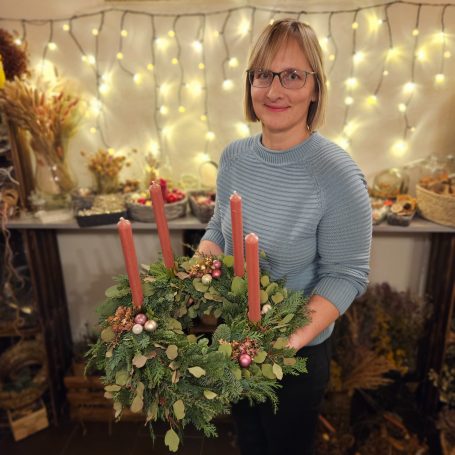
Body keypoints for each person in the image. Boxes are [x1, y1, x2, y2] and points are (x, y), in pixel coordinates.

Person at [197, 18, 372, 455]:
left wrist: (282, 343)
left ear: (315, 89)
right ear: (250, 84)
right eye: (264, 74)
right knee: (249, 440)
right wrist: (198, 269)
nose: (275, 90)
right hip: (235, 337)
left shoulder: (337, 173)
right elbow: (219, 227)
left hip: (296, 355)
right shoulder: (233, 157)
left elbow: (346, 275)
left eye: (292, 75)